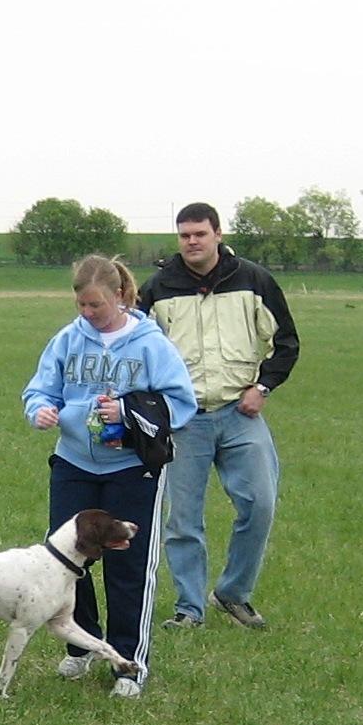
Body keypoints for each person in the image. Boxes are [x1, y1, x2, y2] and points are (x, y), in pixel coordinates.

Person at [23, 255, 196, 697]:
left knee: (126, 564)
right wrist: (40, 409)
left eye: (95, 305)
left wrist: (129, 411)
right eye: (81, 305)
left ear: (119, 296)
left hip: (131, 470)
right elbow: (40, 388)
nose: (87, 314)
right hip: (73, 464)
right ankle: (81, 648)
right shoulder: (66, 340)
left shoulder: (151, 344)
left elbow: (181, 402)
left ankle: (128, 662)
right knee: (66, 562)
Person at [139, 203, 300, 630]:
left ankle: (232, 593)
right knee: (183, 519)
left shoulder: (253, 280)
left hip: (239, 413)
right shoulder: (158, 288)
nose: (192, 241)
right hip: (183, 420)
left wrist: (262, 387)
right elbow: (134, 350)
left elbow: (285, 342)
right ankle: (189, 609)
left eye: (199, 234)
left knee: (260, 505)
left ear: (217, 234)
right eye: (184, 235)